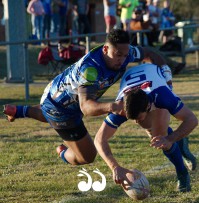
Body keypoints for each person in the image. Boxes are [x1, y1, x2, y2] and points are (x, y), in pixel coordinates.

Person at [3, 29, 171, 167]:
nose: (122, 60)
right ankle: (63, 152)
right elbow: (86, 107)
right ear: (105, 49)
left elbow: (150, 53)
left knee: (48, 112)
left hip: (59, 94)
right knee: (87, 156)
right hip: (61, 109)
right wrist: (113, 107)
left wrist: (165, 72)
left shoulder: (126, 52)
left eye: (125, 55)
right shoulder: (90, 70)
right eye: (118, 55)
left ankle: (19, 110)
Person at [94, 63, 198, 192]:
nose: (136, 122)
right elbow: (99, 139)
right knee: (153, 131)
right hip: (136, 78)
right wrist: (114, 167)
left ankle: (182, 173)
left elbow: (192, 120)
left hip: (155, 76)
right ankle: (180, 142)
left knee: (161, 138)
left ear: (149, 106)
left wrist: (170, 139)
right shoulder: (120, 107)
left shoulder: (162, 97)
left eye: (138, 117)